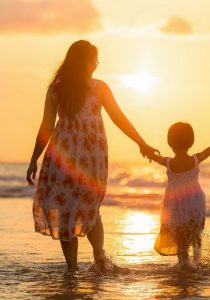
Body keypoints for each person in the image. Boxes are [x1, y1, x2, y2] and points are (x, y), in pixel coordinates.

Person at [26, 40, 158, 273]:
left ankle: (73, 269)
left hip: (62, 155)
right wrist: (141, 143)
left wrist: (34, 159)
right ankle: (98, 258)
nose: (96, 64)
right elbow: (119, 118)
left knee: (65, 209)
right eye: (94, 59)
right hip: (90, 155)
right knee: (89, 206)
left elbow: (46, 128)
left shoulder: (57, 89)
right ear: (85, 62)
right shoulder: (97, 87)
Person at [146, 122, 210, 267]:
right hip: (195, 202)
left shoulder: (168, 162)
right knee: (196, 235)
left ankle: (184, 266)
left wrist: (147, 152)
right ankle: (197, 263)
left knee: (181, 239)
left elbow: (153, 157)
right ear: (191, 142)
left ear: (170, 143)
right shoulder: (195, 159)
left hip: (176, 205)